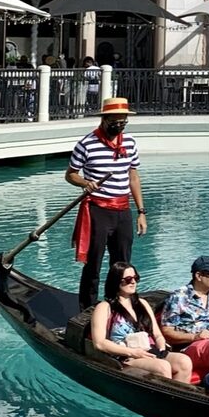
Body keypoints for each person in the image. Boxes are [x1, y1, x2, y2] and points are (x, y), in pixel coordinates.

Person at [65, 96, 148, 308]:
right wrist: (85, 182)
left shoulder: (129, 143)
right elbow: (70, 175)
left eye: (123, 123)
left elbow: (134, 177)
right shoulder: (86, 144)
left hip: (123, 211)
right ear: (104, 119)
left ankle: (117, 304)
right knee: (93, 263)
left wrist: (141, 211)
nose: (119, 127)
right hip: (97, 211)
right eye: (115, 122)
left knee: (122, 265)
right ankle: (88, 307)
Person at [90, 261, 194, 382]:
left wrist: (161, 348)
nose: (133, 282)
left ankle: (177, 399)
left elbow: (157, 334)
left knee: (184, 362)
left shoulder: (142, 303)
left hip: (150, 350)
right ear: (116, 281)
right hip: (125, 355)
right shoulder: (104, 307)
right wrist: (133, 352)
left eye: (135, 278)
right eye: (128, 279)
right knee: (162, 366)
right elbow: (99, 343)